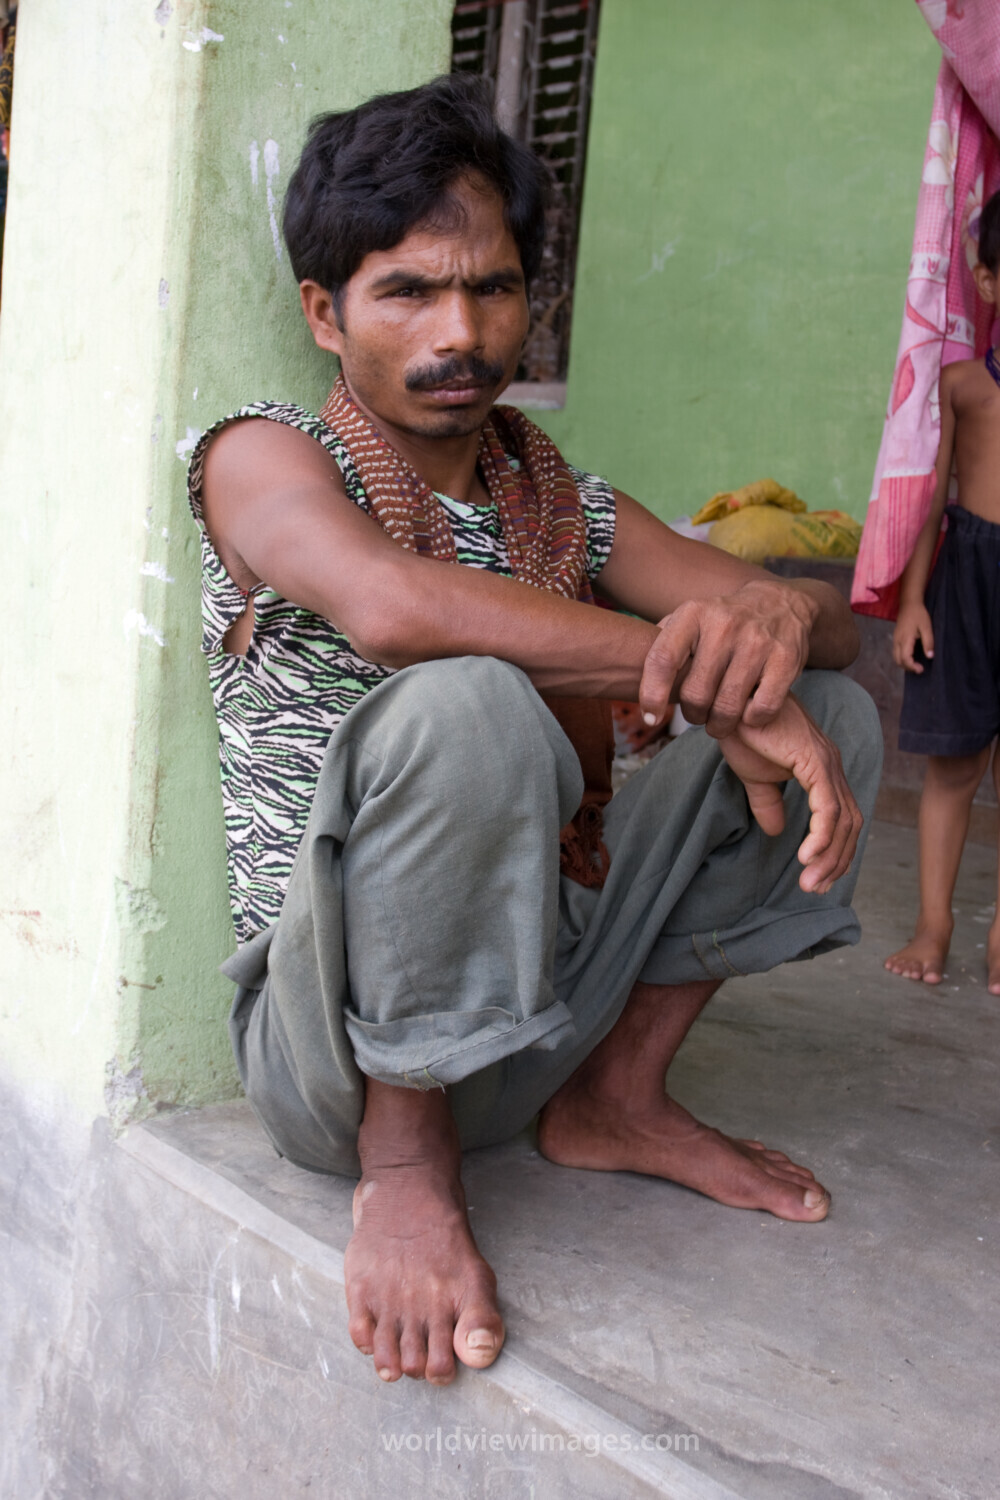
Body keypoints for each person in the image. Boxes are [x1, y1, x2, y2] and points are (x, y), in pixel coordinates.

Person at [189, 75, 880, 1388]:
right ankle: (408, 1165)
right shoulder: (263, 458)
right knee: (473, 699)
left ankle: (614, 1097)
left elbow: (820, 630)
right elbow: (398, 612)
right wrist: (706, 678)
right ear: (325, 315)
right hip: (329, 1052)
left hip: (542, 1004)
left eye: (495, 289)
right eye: (408, 292)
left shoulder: (570, 505)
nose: (462, 330)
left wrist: (770, 640)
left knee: (832, 713)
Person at [885, 190, 1000, 991]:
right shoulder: (963, 385)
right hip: (967, 582)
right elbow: (928, 499)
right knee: (954, 767)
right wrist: (913, 598)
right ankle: (935, 923)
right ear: (987, 281)